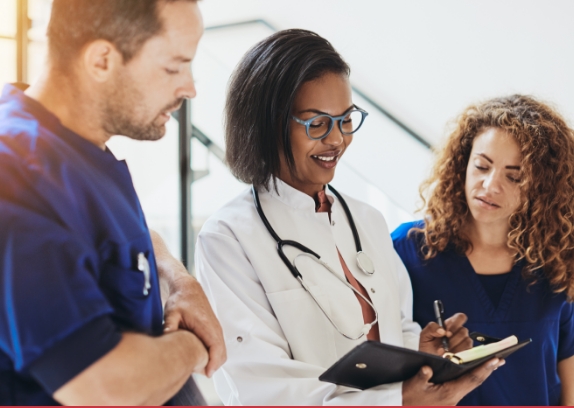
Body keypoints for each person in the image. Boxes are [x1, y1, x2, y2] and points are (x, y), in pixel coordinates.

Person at [195, 28, 504, 405]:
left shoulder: (367, 220)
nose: (338, 139)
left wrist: (424, 354)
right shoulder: (228, 238)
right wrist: (399, 401)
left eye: (345, 119)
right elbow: (263, 387)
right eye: (317, 123)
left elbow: (395, 329)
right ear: (268, 123)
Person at [0, 0, 226, 405]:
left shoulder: (80, 147)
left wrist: (179, 281)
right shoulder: (17, 175)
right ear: (102, 59)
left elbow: (125, 241)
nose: (189, 88)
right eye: (174, 67)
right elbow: (103, 385)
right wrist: (194, 342)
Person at [392, 95, 574, 406]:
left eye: (513, 176)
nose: (490, 186)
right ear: (463, 163)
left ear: (541, 186)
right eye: (481, 166)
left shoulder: (558, 261)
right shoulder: (409, 250)